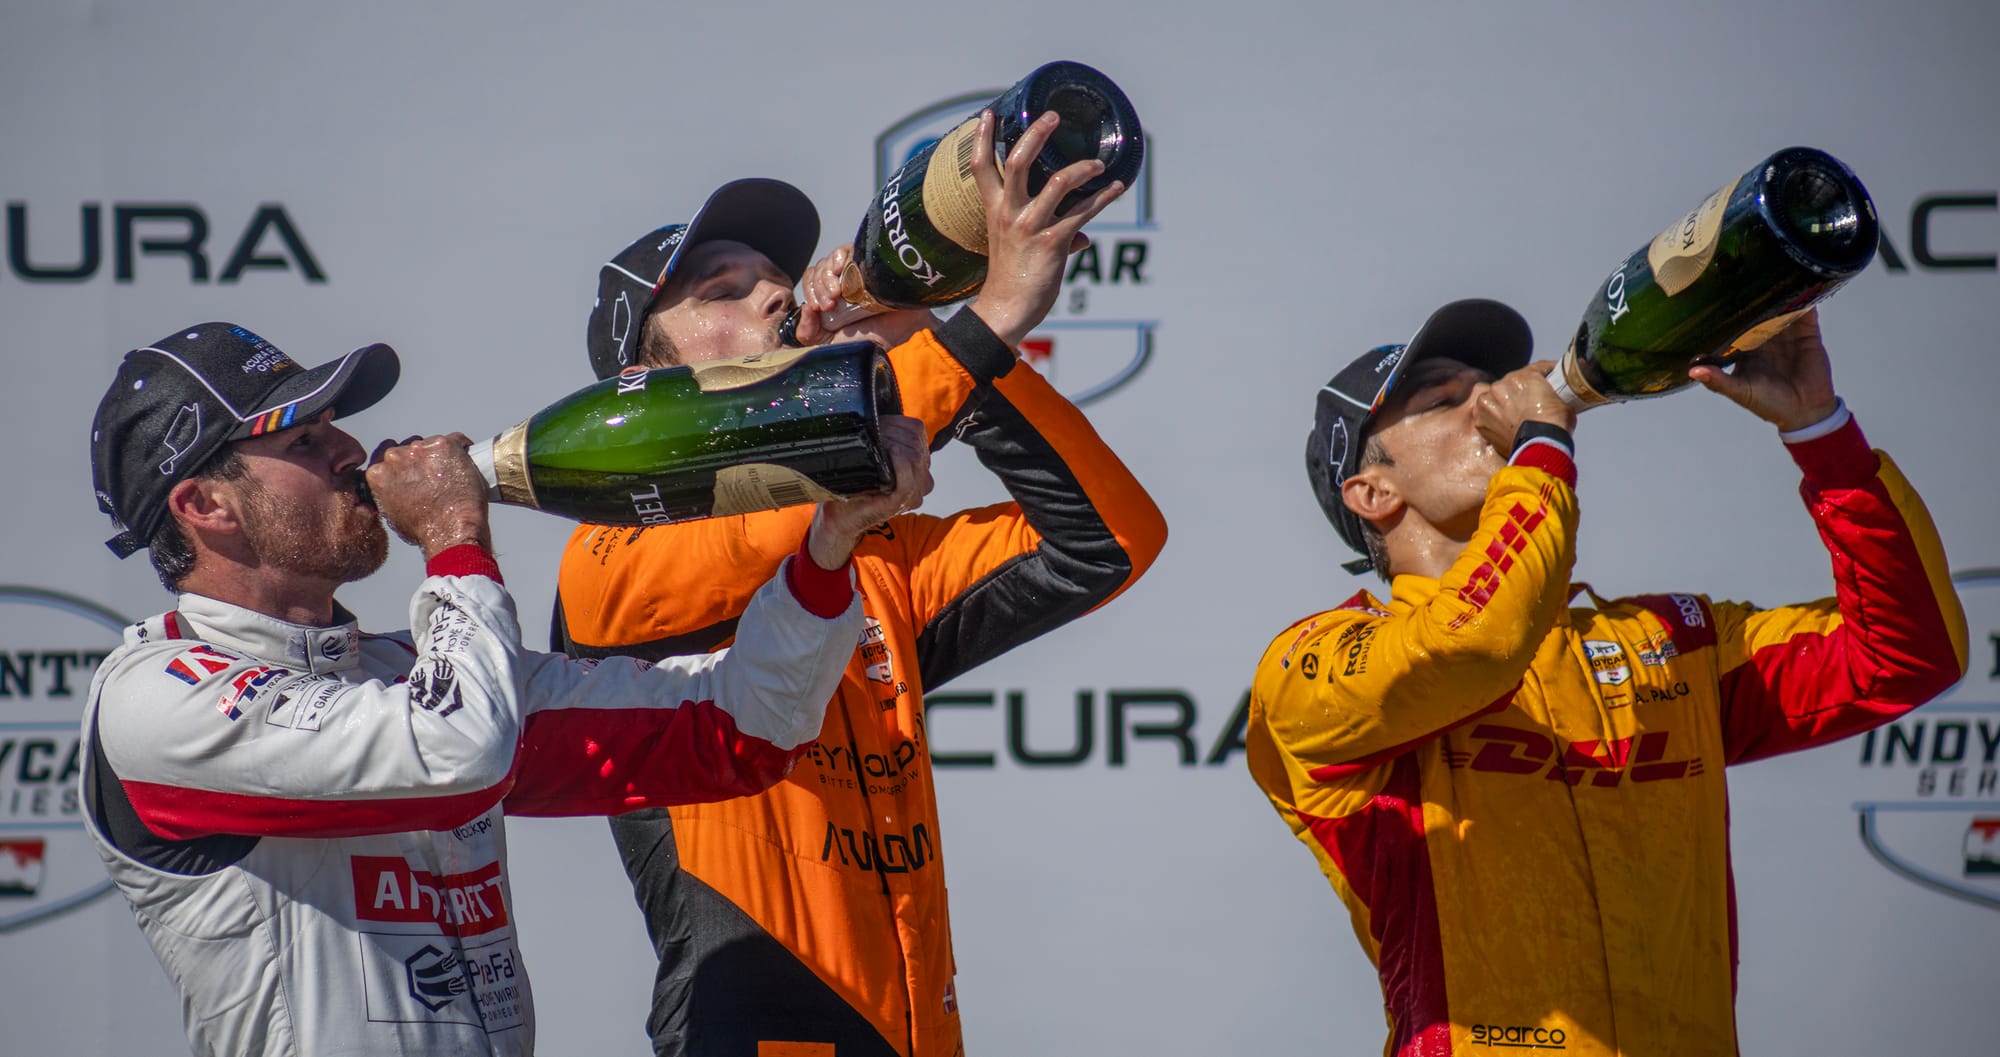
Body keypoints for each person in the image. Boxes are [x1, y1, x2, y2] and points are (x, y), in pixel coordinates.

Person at [80, 320, 932, 1057]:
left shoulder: (413, 674)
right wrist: (454, 537)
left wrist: (829, 546)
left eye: (335, 424)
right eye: (303, 440)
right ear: (203, 504)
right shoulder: (156, 699)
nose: (349, 451)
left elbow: (743, 729)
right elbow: (455, 750)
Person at [557, 111, 1167, 1056]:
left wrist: (935, 335)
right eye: (724, 290)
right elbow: (756, 529)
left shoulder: (877, 558)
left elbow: (1112, 540)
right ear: (646, 377)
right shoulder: (614, 550)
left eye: (771, 277)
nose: (774, 295)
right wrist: (985, 325)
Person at [1246, 301, 1967, 1056]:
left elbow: (1910, 651)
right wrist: (1542, 452)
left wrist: (1820, 430)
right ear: (1373, 491)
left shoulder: (1670, 642)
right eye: (1445, 400)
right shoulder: (1319, 663)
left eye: (1490, 382)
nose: (1493, 399)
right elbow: (1474, 643)